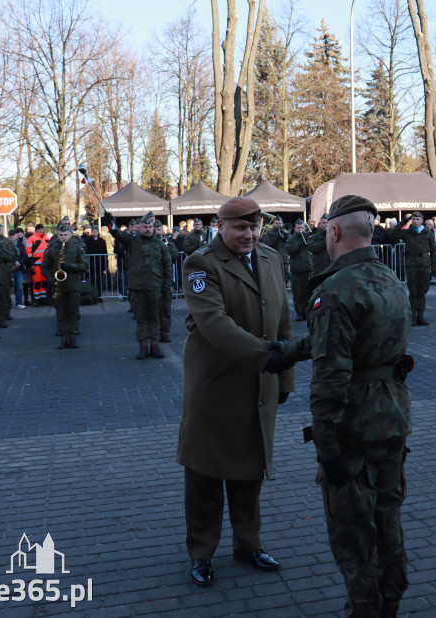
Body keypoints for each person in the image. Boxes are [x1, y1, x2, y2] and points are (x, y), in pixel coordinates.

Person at [278, 194, 413, 618]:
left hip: (353, 427)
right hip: (392, 419)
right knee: (388, 524)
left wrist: (326, 443)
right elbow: (360, 341)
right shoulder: (389, 279)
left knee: (354, 536)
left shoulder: (334, 291)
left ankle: (365, 611)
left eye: (324, 230)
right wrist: (289, 350)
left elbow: (331, 376)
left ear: (334, 231)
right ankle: (389, 605)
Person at [176, 196, 294, 587]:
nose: (249, 234)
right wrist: (267, 357)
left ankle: (249, 544)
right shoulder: (201, 263)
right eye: (240, 227)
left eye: (254, 227)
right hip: (216, 385)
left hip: (259, 382)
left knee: (249, 471)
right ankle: (202, 553)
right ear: (220, 226)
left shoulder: (271, 258)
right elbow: (213, 323)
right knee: (205, 475)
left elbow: (282, 321)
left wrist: (285, 376)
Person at [103, 211, 172, 359]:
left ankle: (154, 345)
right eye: (144, 226)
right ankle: (143, 346)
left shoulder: (160, 245)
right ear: (139, 227)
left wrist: (167, 286)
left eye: (149, 226)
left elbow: (167, 266)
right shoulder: (132, 241)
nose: (147, 229)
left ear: (153, 227)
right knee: (141, 318)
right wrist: (110, 222)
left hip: (155, 287)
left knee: (154, 318)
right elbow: (116, 234)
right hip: (137, 287)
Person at [389, 211, 436, 325]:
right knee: (413, 292)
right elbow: (392, 233)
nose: (415, 221)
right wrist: (404, 221)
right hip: (412, 265)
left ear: (422, 221)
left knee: (422, 291)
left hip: (425, 265)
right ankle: (413, 316)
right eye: (413, 219)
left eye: (417, 219)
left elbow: (434, 250)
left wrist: (434, 267)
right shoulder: (408, 232)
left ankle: (421, 315)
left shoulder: (428, 233)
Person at [286, 218, 313, 321]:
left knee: (308, 293)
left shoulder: (308, 237)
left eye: (302, 227)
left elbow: (313, 248)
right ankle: (299, 313)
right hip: (296, 270)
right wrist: (300, 243)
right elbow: (290, 251)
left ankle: (306, 312)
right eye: (298, 228)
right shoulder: (291, 239)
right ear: (295, 228)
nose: (300, 230)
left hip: (308, 268)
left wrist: (308, 239)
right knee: (297, 293)